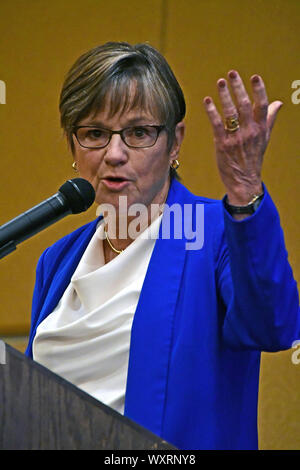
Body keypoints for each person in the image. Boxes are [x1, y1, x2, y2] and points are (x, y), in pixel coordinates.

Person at [25, 41, 299, 450]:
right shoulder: (57, 261)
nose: (114, 154)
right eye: (95, 134)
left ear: (174, 143)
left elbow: (274, 325)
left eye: (138, 132)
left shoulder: (216, 233)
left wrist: (246, 191)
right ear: (72, 146)